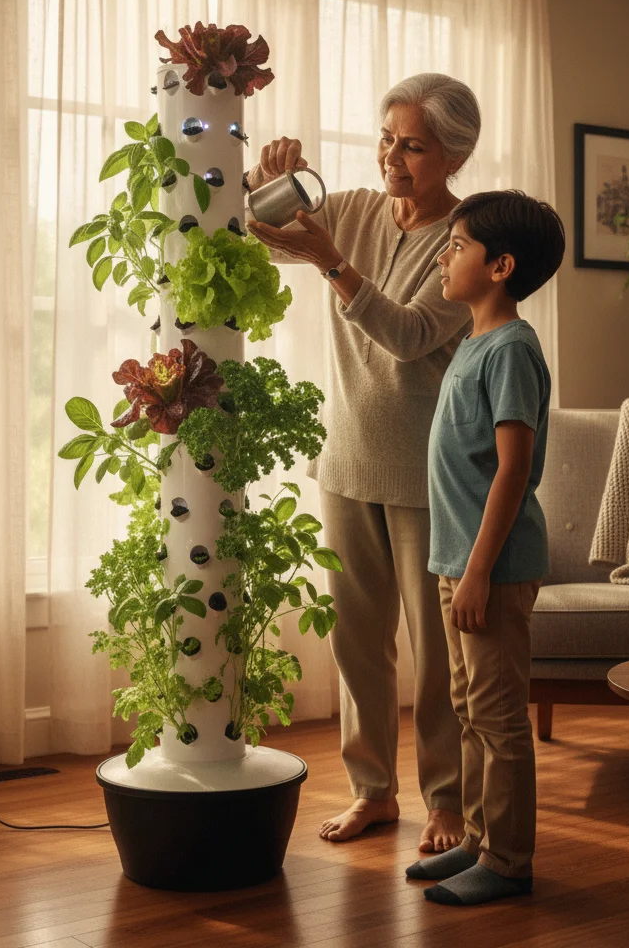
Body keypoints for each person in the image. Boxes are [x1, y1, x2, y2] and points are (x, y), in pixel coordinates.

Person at [246, 74, 480, 852]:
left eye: (412, 145)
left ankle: (447, 802)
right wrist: (267, 179)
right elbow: (264, 233)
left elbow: (412, 334)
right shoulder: (349, 208)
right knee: (357, 641)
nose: (393, 156)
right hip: (346, 462)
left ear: (452, 155)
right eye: (387, 138)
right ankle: (373, 791)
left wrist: (333, 263)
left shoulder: (466, 242)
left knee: (438, 657)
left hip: (426, 476)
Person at [405, 190, 564, 905]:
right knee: (467, 707)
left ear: (499, 266)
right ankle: (477, 838)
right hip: (458, 564)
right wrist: (454, 568)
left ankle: (508, 862)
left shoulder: (512, 350)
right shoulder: (472, 342)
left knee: (499, 719)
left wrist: (476, 573)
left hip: (490, 571)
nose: (444, 254)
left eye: (458, 245)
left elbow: (513, 469)